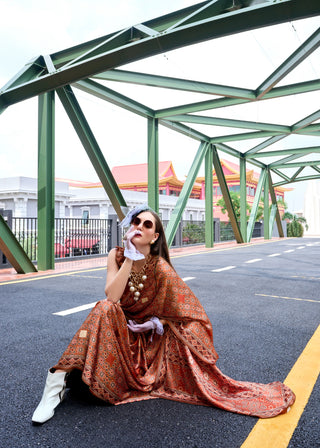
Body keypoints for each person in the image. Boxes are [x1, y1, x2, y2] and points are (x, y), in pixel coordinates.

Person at [32, 204, 295, 425]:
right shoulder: (117, 255)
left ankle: (69, 381)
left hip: (145, 346)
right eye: (136, 221)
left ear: (154, 237)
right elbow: (112, 296)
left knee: (104, 326)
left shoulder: (161, 268)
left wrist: (156, 323)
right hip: (116, 332)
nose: (139, 227)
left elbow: (193, 316)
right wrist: (131, 259)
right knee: (105, 307)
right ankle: (54, 382)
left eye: (147, 225)